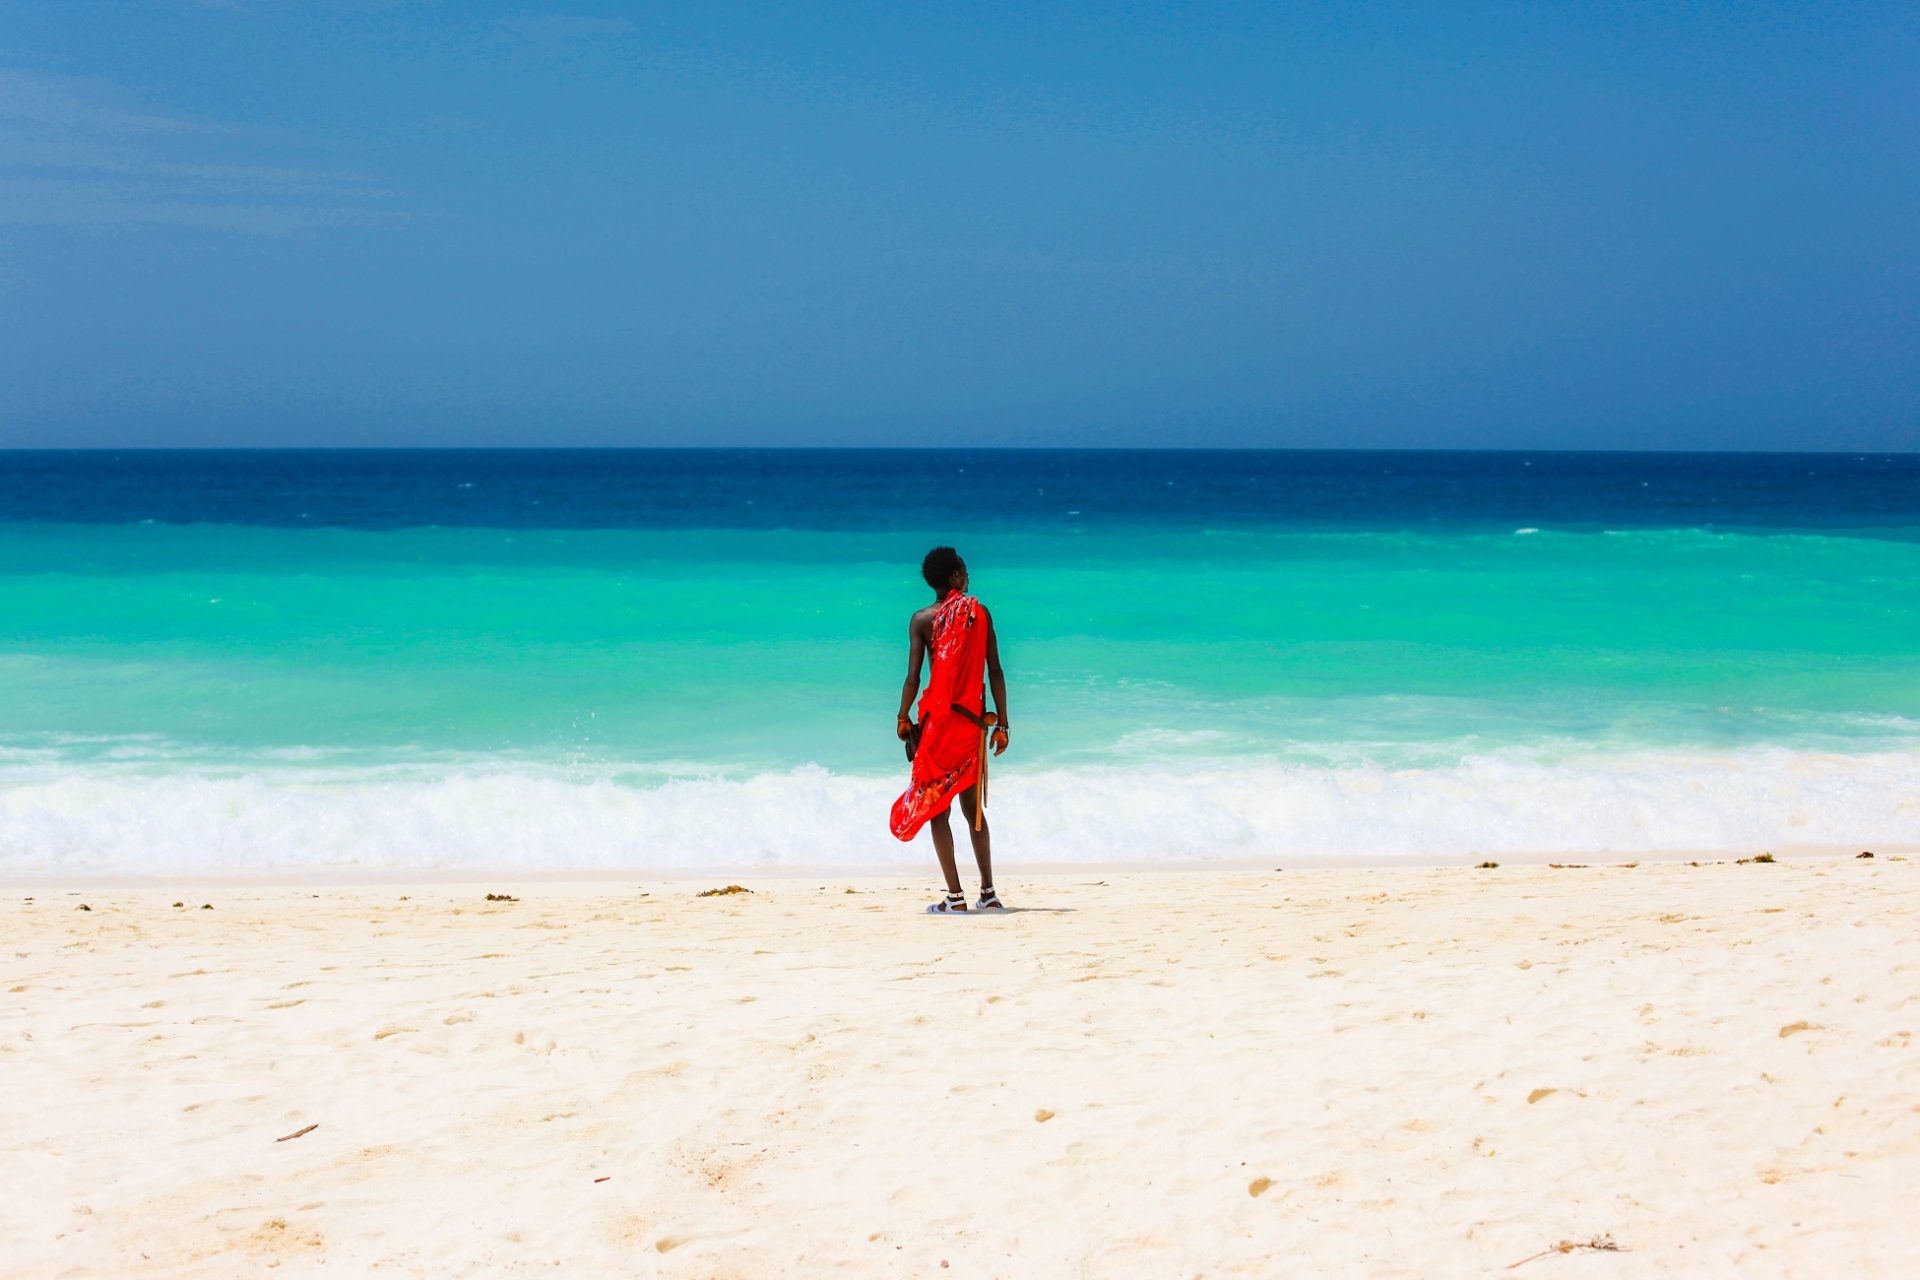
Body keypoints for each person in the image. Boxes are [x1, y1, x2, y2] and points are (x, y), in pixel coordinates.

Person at [891, 546, 1010, 913]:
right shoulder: (980, 614)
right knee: (974, 812)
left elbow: (913, 678)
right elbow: (995, 671)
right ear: (955, 577)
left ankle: (955, 898)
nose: (968, 576)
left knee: (937, 812)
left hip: (938, 727)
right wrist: (1003, 723)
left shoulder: (921, 620)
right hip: (971, 725)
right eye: (964, 570)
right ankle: (988, 894)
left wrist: (902, 717)